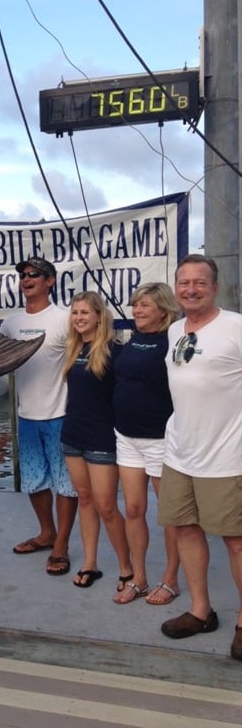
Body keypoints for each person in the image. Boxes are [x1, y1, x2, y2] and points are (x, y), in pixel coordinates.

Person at [158, 254, 242, 660]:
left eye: (200, 282)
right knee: (185, 529)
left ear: (215, 287)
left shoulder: (236, 328)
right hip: (179, 453)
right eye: (184, 282)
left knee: (237, 543)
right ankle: (200, 610)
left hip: (228, 457)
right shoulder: (175, 329)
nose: (191, 289)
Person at [0, 257, 78, 576]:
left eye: (34, 274)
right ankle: (46, 533)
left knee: (66, 485)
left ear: (50, 281)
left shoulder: (65, 318)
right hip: (27, 418)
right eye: (22, 275)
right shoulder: (11, 323)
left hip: (61, 415)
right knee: (34, 481)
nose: (27, 278)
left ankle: (61, 545)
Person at [113, 283, 181, 605]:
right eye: (136, 305)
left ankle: (170, 580)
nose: (137, 311)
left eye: (145, 306)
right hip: (126, 436)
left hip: (161, 439)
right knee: (134, 509)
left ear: (163, 311)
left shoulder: (173, 342)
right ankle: (139, 578)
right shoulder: (134, 339)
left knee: (169, 514)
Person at [61, 291, 132, 591]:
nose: (79, 318)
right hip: (73, 435)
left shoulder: (115, 351)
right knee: (85, 499)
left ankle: (128, 569)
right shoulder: (73, 348)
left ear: (99, 316)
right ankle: (90, 562)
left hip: (102, 438)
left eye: (85, 313)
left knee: (106, 506)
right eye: (75, 312)